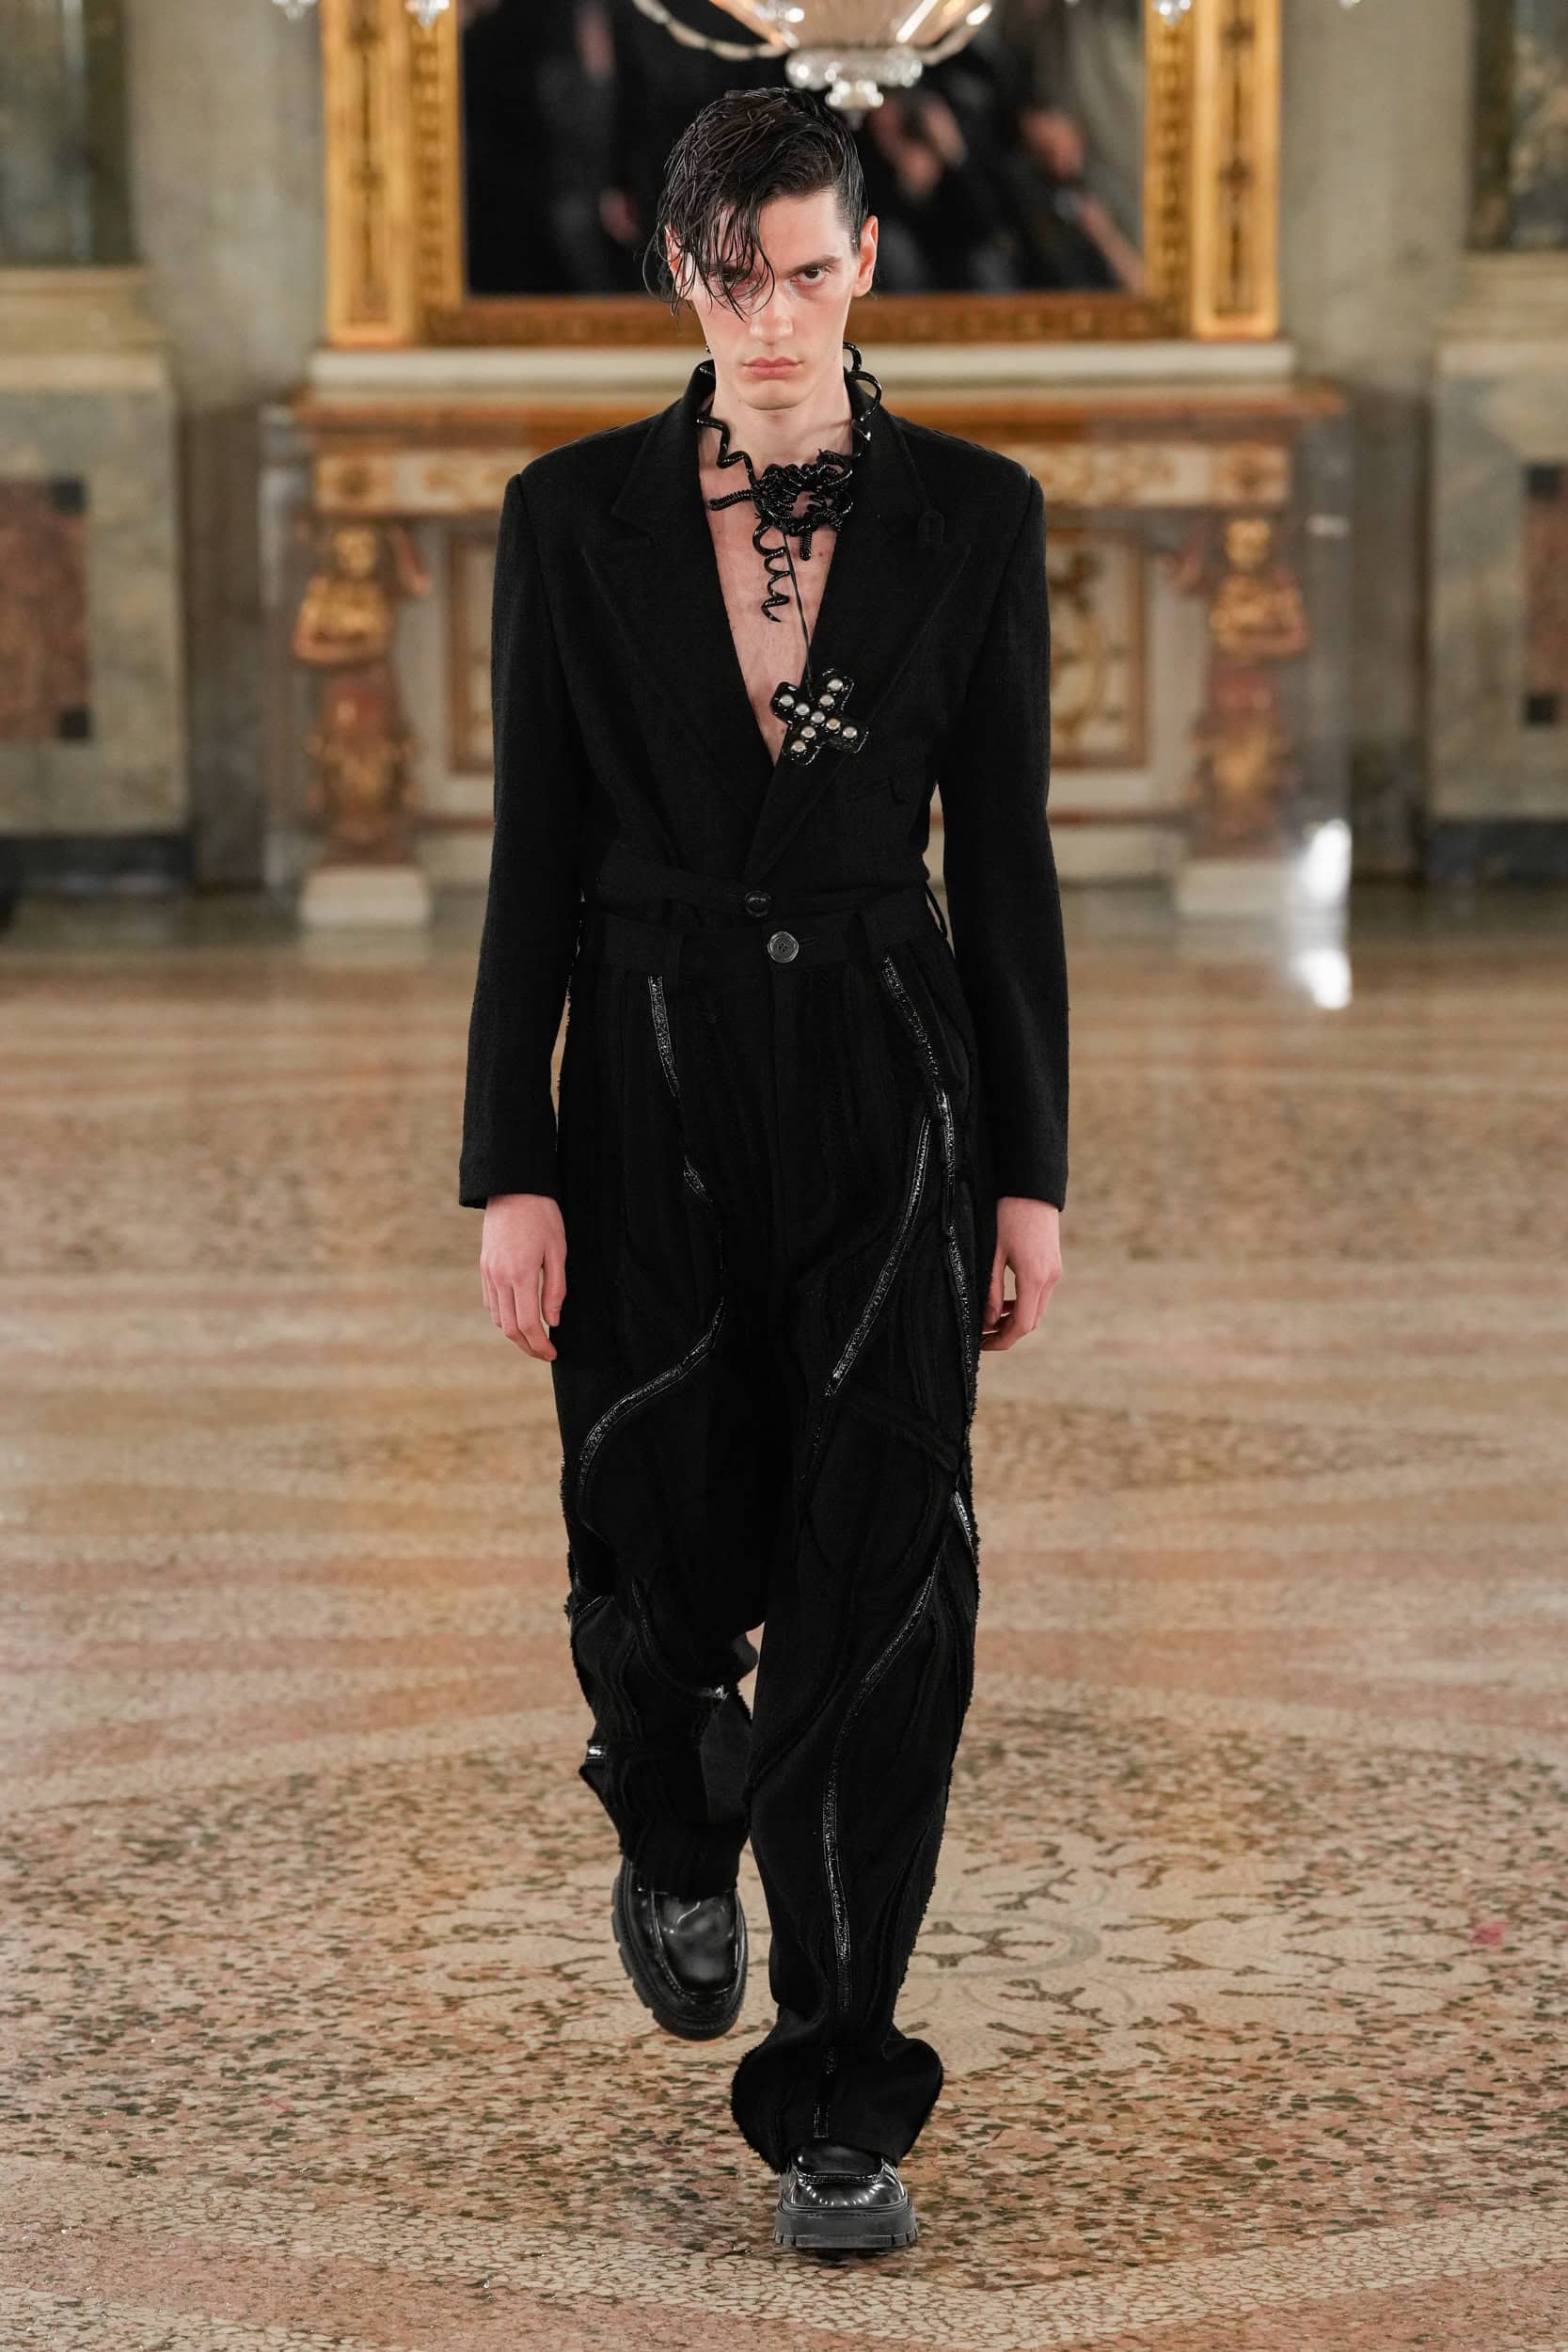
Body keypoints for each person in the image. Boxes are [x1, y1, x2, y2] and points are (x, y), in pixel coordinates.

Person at [458, 84, 1069, 2254]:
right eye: (738, 278)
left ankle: (837, 2090)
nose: (779, 315)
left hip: (893, 1089)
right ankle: (672, 1804)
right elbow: (534, 856)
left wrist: (1029, 1173)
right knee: (650, 1515)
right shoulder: (573, 516)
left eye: (811, 269)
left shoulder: (975, 516)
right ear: (681, 275)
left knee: (882, 1585)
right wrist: (509, 1160)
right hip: (643, 1074)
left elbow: (1008, 865)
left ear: (864, 262)